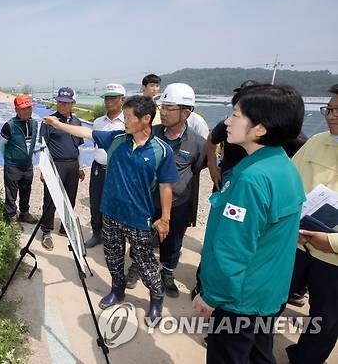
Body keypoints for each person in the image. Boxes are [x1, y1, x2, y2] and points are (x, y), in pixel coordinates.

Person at [192, 84, 306, 364]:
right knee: (258, 355)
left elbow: (233, 249)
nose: (227, 122)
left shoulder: (251, 178)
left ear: (261, 129)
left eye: (236, 115)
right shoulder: (284, 166)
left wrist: (211, 296)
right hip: (267, 293)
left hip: (239, 300)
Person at [42, 95, 178, 325]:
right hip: (111, 213)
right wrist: (57, 124)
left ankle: (156, 298)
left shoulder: (162, 151)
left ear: (145, 119)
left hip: (138, 218)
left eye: (128, 117)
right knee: (113, 258)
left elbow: (166, 187)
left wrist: (165, 218)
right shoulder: (116, 139)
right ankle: (117, 289)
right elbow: (86, 133)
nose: (124, 121)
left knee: (145, 262)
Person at [286, 84, 338, 364]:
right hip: (295, 242)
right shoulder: (317, 141)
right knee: (273, 298)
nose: (331, 115)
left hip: (332, 258)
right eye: (328, 109)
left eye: (336, 110)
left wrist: (329, 241)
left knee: (325, 319)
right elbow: (289, 179)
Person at [148, 83, 207, 298]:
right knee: (141, 237)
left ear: (186, 112)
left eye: (169, 108)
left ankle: (167, 273)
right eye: (162, 107)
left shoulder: (197, 143)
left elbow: (197, 167)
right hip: (149, 200)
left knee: (173, 242)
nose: (162, 112)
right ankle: (137, 267)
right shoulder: (151, 134)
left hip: (179, 204)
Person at [39, 87, 85, 251]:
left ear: (73, 103)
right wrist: (44, 170)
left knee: (69, 198)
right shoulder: (48, 121)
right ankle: (46, 231)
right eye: (60, 102)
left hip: (72, 165)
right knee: (50, 199)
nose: (62, 105)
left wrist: (80, 167)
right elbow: (42, 147)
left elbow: (79, 147)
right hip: (55, 165)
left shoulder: (77, 122)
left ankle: (64, 227)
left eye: (66, 103)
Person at [86, 83, 126, 248]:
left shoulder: (127, 122)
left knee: (114, 204)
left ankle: (113, 237)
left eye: (113, 97)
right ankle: (97, 233)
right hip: (98, 168)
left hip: (117, 171)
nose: (109, 101)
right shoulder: (97, 122)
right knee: (95, 202)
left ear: (122, 100)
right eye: (107, 97)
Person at [0, 94, 40, 226]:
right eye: (23, 108)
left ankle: (24, 213)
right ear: (16, 110)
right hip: (13, 165)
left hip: (28, 165)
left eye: (29, 107)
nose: (27, 110)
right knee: (11, 192)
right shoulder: (9, 125)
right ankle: (11, 216)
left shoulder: (34, 124)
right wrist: (9, 160)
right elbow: (1, 145)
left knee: (26, 189)